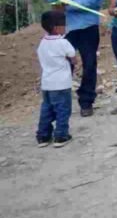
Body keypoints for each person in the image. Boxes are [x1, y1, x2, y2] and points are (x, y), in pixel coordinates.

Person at [44, 0, 109, 117]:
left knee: (89, 63)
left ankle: (86, 101)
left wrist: (68, 3)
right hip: (64, 26)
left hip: (87, 24)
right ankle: (59, 102)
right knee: (63, 63)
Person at [36, 10, 76, 148]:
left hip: (47, 83)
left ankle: (43, 136)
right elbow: (73, 58)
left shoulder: (42, 42)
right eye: (64, 25)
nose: (66, 28)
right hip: (61, 84)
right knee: (63, 110)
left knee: (46, 110)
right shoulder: (63, 42)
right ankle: (61, 136)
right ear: (57, 28)